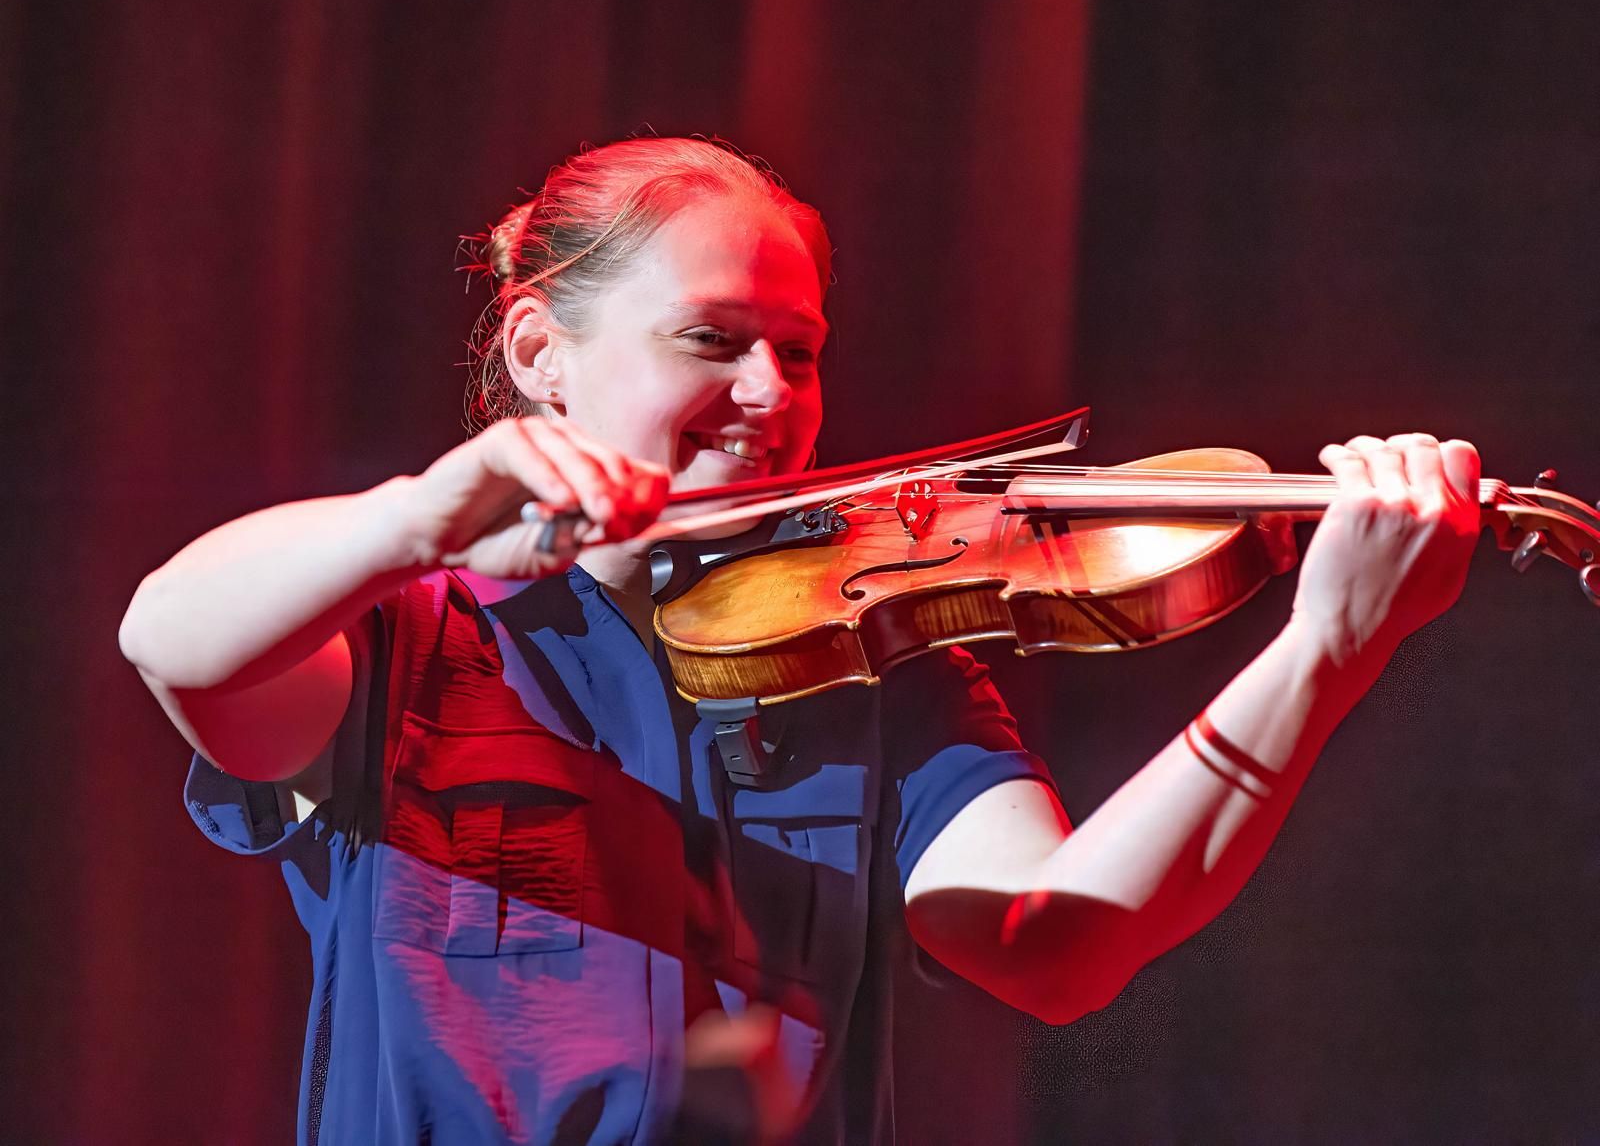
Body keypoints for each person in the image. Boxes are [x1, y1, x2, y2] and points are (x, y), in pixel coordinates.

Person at [119, 136, 1483, 1145]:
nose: (770, 395)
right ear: (539, 354)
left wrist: (1327, 648)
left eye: (802, 350)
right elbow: (173, 638)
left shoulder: (869, 662)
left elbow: (1054, 944)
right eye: (711, 339)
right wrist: (421, 515)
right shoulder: (411, 638)